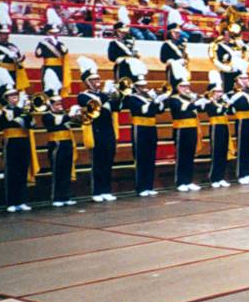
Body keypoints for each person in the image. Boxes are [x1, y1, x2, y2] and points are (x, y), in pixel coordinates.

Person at [76, 57, 121, 202]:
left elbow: (116, 108)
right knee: (97, 162)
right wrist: (106, 98)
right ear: (87, 82)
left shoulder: (103, 94)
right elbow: (95, 109)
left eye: (98, 79)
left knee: (108, 161)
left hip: (108, 130)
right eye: (94, 80)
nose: (97, 82)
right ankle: (97, 191)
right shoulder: (83, 95)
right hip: (96, 131)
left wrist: (116, 95)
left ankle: (106, 190)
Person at [0, 71, 37, 213]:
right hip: (11, 142)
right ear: (6, 98)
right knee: (12, 172)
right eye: (12, 96)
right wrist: (22, 114)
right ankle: (11, 202)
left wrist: (26, 113)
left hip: (23, 141)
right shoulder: (2, 110)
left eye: (16, 96)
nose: (15, 98)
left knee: (23, 170)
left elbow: (31, 124)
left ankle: (22, 201)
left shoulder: (23, 109)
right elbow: (6, 123)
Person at [122, 61, 166, 197]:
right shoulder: (131, 97)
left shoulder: (148, 97)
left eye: (145, 85)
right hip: (139, 127)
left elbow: (160, 111)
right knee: (141, 157)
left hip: (151, 127)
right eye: (141, 86)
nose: (144, 88)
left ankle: (149, 185)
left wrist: (158, 100)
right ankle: (141, 187)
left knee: (151, 156)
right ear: (135, 87)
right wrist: (153, 101)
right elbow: (142, 110)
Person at [41, 72, 77, 207]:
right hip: (56, 144)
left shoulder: (64, 115)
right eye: (56, 104)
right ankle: (57, 197)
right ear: (50, 105)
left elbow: (76, 123)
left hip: (67, 144)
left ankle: (66, 196)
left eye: (60, 104)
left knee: (67, 170)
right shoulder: (47, 116)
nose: (60, 106)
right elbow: (57, 122)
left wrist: (77, 116)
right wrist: (70, 115)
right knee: (58, 171)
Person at [166, 66, 204, 192]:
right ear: (177, 88)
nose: (186, 89)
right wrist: (193, 101)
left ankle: (188, 180)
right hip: (181, 130)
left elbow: (200, 109)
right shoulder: (174, 99)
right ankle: (180, 181)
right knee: (182, 156)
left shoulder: (190, 98)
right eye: (183, 87)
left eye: (187, 87)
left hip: (192, 129)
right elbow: (181, 109)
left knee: (190, 155)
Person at [229, 73, 249, 184]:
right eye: (243, 78)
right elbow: (229, 107)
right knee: (242, 148)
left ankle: (248, 173)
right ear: (237, 80)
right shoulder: (233, 92)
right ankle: (241, 174)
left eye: (247, 78)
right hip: (242, 121)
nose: (246, 80)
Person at [203, 82, 233, 188]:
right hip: (216, 127)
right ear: (212, 93)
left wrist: (228, 104)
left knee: (223, 152)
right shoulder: (209, 103)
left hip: (224, 127)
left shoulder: (222, 102)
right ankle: (214, 177)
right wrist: (227, 104)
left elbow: (231, 112)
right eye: (218, 91)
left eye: (221, 91)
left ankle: (221, 177)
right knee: (216, 152)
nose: (220, 93)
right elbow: (217, 111)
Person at [0, 26, 29, 98]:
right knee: (2, 91)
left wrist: (21, 58)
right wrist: (7, 57)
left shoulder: (12, 46)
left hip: (13, 71)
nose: (6, 36)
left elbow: (18, 56)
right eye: (3, 34)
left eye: (7, 34)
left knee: (13, 91)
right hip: (0, 71)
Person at [35, 23, 70, 95]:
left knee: (59, 86)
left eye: (56, 33)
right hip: (48, 67)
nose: (55, 35)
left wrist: (57, 44)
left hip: (58, 68)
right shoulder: (43, 43)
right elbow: (38, 54)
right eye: (53, 33)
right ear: (48, 33)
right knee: (48, 86)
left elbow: (64, 51)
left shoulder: (60, 44)